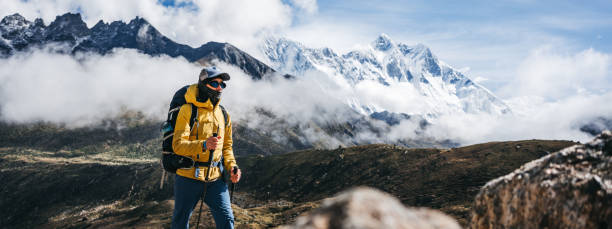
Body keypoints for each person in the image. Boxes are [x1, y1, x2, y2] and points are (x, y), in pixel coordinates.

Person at [171, 66, 242, 229]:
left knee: (227, 220)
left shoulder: (223, 114)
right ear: (203, 84)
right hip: (188, 176)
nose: (219, 88)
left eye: (222, 85)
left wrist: (232, 166)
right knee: (180, 223)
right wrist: (204, 145)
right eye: (215, 83)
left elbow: (227, 147)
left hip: (215, 178)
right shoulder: (187, 110)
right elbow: (177, 145)